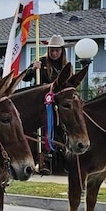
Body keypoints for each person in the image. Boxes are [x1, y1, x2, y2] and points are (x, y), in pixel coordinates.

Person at [23, 34, 71, 175]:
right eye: (52, 50)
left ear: (62, 51)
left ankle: (64, 157)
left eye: (57, 50)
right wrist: (32, 68)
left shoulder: (66, 66)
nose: (54, 53)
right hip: (42, 102)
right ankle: (42, 159)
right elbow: (26, 78)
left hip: (58, 103)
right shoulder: (41, 62)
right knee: (42, 128)